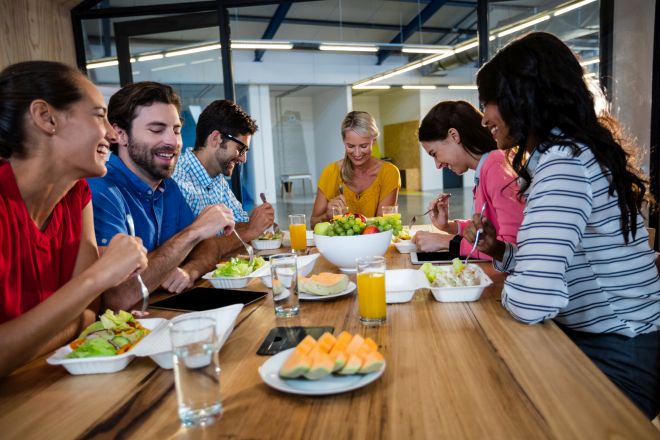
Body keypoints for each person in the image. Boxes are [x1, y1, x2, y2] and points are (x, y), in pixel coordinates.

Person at [469, 31, 659, 418]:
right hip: (612, 342)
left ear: (522, 97)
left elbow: (533, 301)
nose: (484, 115)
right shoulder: (575, 152)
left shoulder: (563, 165)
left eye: (488, 101)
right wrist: (502, 251)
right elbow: (571, 263)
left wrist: (518, 288)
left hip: (620, 356)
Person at [0, 61, 148, 377]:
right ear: (45, 118)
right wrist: (100, 275)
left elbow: (89, 312)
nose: (112, 134)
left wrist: (77, 319)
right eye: (99, 115)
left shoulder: (77, 194)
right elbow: (82, 312)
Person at [88, 82, 235, 308]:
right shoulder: (101, 191)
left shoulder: (169, 188)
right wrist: (193, 232)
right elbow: (118, 297)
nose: (173, 141)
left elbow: (208, 247)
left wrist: (189, 271)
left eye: (176, 130)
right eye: (157, 130)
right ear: (120, 135)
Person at [412, 101, 523, 259]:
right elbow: (488, 230)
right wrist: (449, 226)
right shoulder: (487, 167)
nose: (437, 165)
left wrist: (447, 241)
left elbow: (510, 248)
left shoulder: (497, 166)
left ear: (454, 136)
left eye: (434, 153)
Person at [172, 99, 274, 241]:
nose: (243, 159)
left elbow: (239, 223)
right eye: (240, 149)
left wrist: (257, 222)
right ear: (216, 138)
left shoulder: (217, 179)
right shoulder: (177, 182)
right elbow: (194, 248)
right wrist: (250, 230)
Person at [311, 111, 400, 226]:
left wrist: (350, 220)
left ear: (374, 141)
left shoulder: (389, 173)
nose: (357, 154)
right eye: (351, 146)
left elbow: (382, 225)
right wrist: (327, 216)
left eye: (363, 146)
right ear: (344, 142)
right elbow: (313, 223)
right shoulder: (330, 172)